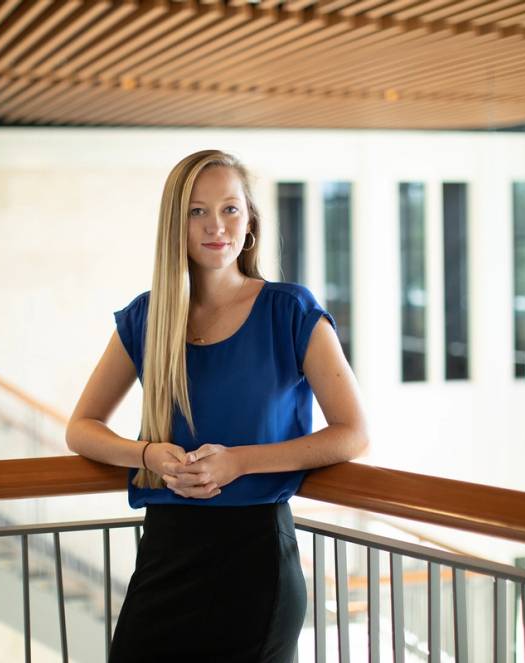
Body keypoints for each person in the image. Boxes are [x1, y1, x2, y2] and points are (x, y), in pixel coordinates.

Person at [66, 149, 369, 662]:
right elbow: (81, 428)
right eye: (197, 211)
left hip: (256, 564)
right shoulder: (148, 318)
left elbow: (353, 432)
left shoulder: (289, 310)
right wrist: (149, 455)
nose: (216, 226)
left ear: (249, 220)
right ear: (176, 225)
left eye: (230, 208)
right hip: (166, 557)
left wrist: (239, 462)